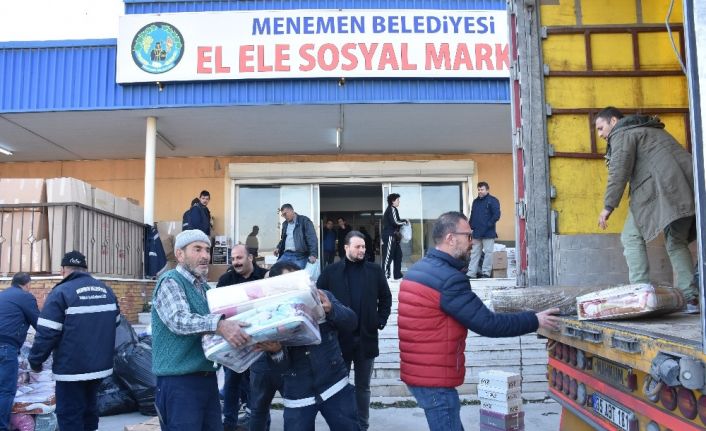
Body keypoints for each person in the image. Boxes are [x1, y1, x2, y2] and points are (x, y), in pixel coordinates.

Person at [398, 212, 560, 431]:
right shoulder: (449, 279)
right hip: (435, 380)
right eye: (468, 235)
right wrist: (534, 320)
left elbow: (437, 315)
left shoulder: (417, 270)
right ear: (450, 238)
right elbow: (488, 324)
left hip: (420, 373)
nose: (472, 242)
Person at [595, 107, 698, 311]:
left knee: (631, 237)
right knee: (676, 241)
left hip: (661, 190)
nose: (600, 134)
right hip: (689, 187)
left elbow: (619, 171)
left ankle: (639, 293)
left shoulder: (622, 134)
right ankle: (691, 298)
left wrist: (608, 206)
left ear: (613, 121)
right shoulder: (649, 129)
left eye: (601, 128)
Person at [150, 230, 252, 431]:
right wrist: (220, 325)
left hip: (206, 380)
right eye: (197, 249)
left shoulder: (205, 290)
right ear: (180, 255)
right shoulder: (171, 281)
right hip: (178, 383)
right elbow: (178, 320)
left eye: (207, 249)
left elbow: (216, 332)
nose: (205, 255)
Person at [29, 251, 121, 431]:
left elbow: (47, 333)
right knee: (90, 410)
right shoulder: (106, 290)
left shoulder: (61, 292)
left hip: (71, 369)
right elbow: (116, 322)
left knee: (69, 414)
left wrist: (35, 361)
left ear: (63, 270)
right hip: (99, 367)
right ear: (85, 269)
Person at [317, 231, 392, 430]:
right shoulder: (330, 272)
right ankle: (344, 425)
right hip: (338, 341)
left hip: (366, 339)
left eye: (364, 247)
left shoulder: (374, 271)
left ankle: (362, 425)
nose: (362, 250)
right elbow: (317, 300)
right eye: (358, 247)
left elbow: (386, 299)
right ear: (346, 248)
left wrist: (379, 321)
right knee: (339, 388)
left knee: (363, 387)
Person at [258, 283, 359, 430]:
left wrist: (332, 309)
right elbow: (280, 368)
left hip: (334, 384)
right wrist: (276, 351)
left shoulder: (321, 296)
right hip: (298, 394)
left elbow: (352, 322)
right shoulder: (269, 311)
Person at [217, 244, 267, 431]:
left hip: (260, 342)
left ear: (250, 258)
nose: (236, 262)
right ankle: (229, 423)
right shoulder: (225, 280)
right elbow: (218, 312)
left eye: (239, 258)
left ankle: (259, 423)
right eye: (234, 259)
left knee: (258, 386)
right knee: (231, 383)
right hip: (234, 342)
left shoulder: (265, 277)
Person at [248, 260, 300, 431]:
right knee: (258, 410)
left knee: (295, 409)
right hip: (262, 361)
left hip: (289, 360)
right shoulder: (259, 297)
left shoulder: (298, 297)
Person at [0, 273, 39, 431]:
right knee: (5, 390)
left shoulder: (3, 295)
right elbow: (39, 323)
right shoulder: (25, 297)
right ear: (27, 284)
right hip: (5, 347)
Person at [467, 182, 501, 278]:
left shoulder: (493, 200)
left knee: (488, 253)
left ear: (487, 190)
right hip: (477, 232)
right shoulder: (475, 202)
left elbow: (496, 215)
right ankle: (471, 273)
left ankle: (486, 273)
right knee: (474, 253)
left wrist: (488, 225)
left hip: (488, 232)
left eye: (482, 189)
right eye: (479, 189)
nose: (480, 191)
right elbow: (472, 216)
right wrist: (470, 228)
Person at [274, 204, 318, 269]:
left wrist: (313, 254)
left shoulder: (304, 221)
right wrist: (278, 247)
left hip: (300, 256)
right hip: (286, 254)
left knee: (296, 275)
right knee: (275, 271)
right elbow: (283, 239)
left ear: (292, 210)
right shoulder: (285, 224)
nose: (284, 216)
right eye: (283, 215)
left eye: (285, 214)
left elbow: (312, 238)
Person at [382, 193, 408, 280]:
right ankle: (384, 276)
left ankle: (397, 275)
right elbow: (395, 222)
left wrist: (403, 221)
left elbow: (397, 221)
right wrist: (405, 222)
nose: (399, 201)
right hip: (389, 235)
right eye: (397, 200)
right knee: (388, 256)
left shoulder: (393, 210)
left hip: (394, 237)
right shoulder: (392, 209)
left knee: (398, 255)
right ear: (393, 201)